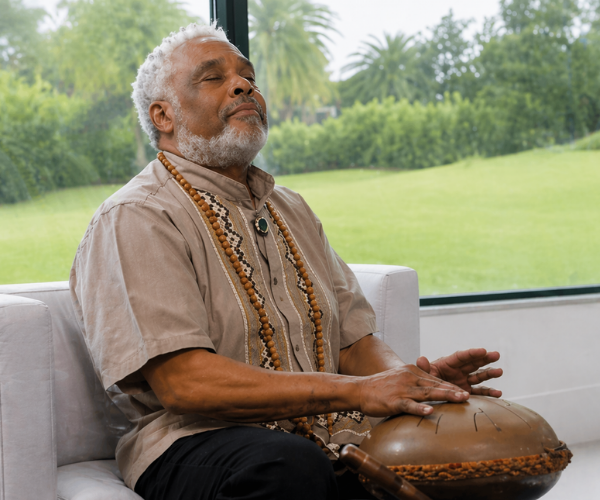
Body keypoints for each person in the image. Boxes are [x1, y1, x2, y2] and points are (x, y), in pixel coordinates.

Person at [70, 23, 503, 500]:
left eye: (248, 76)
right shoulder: (137, 216)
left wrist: (410, 385)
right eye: (213, 77)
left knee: (473, 444)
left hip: (331, 433)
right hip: (196, 442)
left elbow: (354, 344)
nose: (243, 86)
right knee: (289, 465)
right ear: (163, 116)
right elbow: (185, 384)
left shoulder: (291, 208)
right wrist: (359, 394)